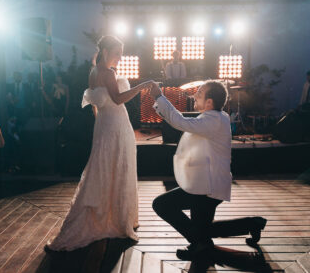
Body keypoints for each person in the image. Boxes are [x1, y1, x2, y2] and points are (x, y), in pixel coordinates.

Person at [45, 36, 154, 252]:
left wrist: (100, 128)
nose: (120, 58)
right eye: (117, 53)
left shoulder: (93, 72)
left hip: (105, 125)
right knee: (117, 168)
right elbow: (118, 99)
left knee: (103, 169)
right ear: (105, 51)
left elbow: (97, 106)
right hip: (116, 125)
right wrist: (143, 85)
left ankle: (111, 216)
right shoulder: (108, 72)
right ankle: (118, 219)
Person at [149, 81, 266, 261]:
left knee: (163, 205)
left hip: (208, 188)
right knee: (203, 230)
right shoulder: (219, 116)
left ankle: (201, 244)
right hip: (206, 184)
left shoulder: (212, 120)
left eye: (200, 93)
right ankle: (250, 224)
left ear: (209, 103)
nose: (195, 95)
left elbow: (179, 121)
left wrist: (159, 97)